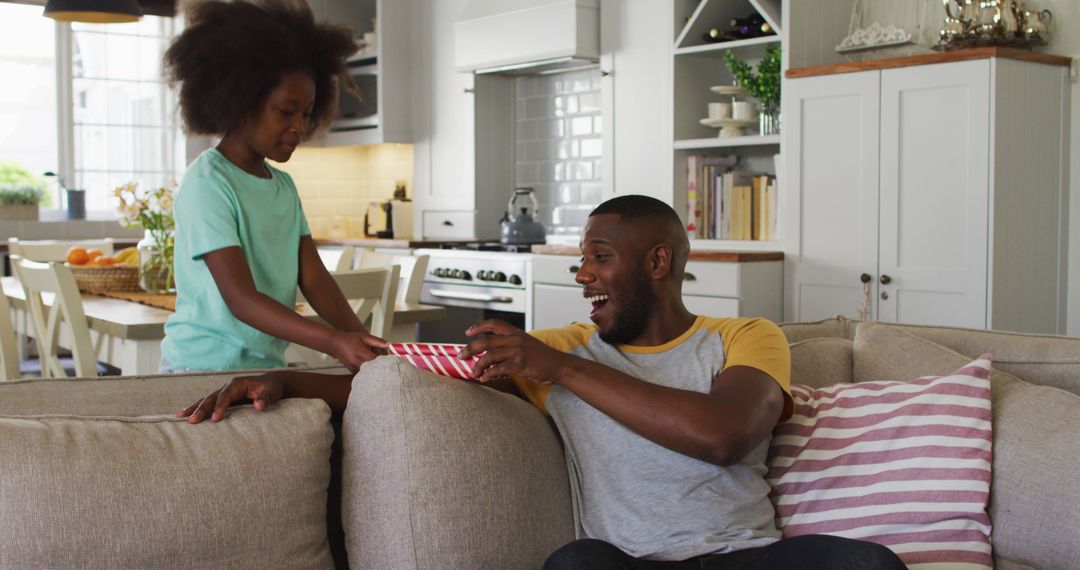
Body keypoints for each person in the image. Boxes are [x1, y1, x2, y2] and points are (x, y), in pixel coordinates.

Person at [179, 195, 906, 569]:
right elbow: (417, 376)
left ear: (657, 262)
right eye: (580, 259)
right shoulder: (556, 351)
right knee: (574, 565)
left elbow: (724, 434)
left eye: (599, 257)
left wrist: (558, 368)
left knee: (864, 563)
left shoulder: (742, 336)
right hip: (630, 567)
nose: (582, 273)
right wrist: (288, 379)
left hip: (748, 562)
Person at [158, 0, 386, 372]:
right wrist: (332, 341)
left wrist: (362, 339)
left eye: (306, 113)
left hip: (263, 368)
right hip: (198, 369)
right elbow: (241, 299)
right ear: (242, 100)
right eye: (286, 111)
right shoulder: (208, 183)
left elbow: (312, 277)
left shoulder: (282, 186)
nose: (299, 125)